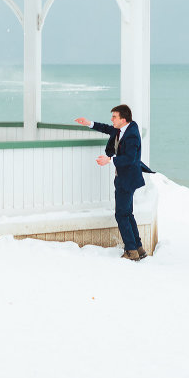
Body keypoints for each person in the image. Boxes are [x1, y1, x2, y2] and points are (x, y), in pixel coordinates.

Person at [75, 105, 151, 261]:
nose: (112, 119)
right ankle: (138, 248)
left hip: (127, 179)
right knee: (127, 214)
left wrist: (109, 160)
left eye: (114, 117)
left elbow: (130, 158)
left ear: (123, 119)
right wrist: (89, 123)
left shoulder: (132, 136)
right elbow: (108, 129)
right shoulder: (123, 129)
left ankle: (131, 251)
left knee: (121, 215)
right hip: (126, 177)